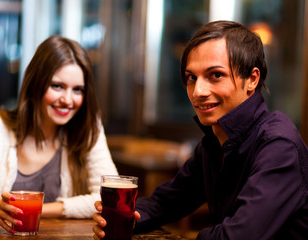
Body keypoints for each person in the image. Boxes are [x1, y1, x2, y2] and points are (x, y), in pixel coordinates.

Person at [92, 20, 308, 240]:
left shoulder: (278, 146)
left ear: (252, 79)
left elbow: (237, 236)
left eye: (215, 75)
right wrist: (127, 218)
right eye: (191, 78)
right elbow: (167, 201)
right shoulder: (216, 141)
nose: (198, 91)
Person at [0, 35, 118, 233]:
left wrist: (39, 210)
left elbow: (108, 199)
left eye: (78, 90)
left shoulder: (88, 129)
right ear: (35, 83)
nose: (68, 100)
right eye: (57, 86)